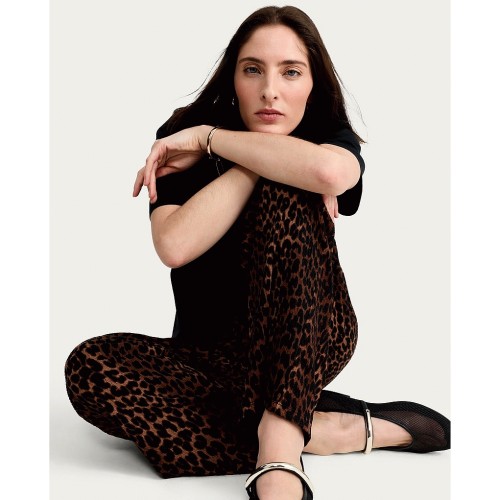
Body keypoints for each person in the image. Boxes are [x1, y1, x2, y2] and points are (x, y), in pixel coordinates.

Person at [64, 5, 450, 500]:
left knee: (288, 187)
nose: (270, 90)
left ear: (312, 83)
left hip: (310, 335)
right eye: (253, 70)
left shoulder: (324, 135)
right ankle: (318, 426)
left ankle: (280, 448)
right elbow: (174, 245)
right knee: (90, 366)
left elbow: (331, 173)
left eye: (291, 72)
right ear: (234, 77)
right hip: (207, 356)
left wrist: (214, 142)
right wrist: (253, 158)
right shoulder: (184, 130)